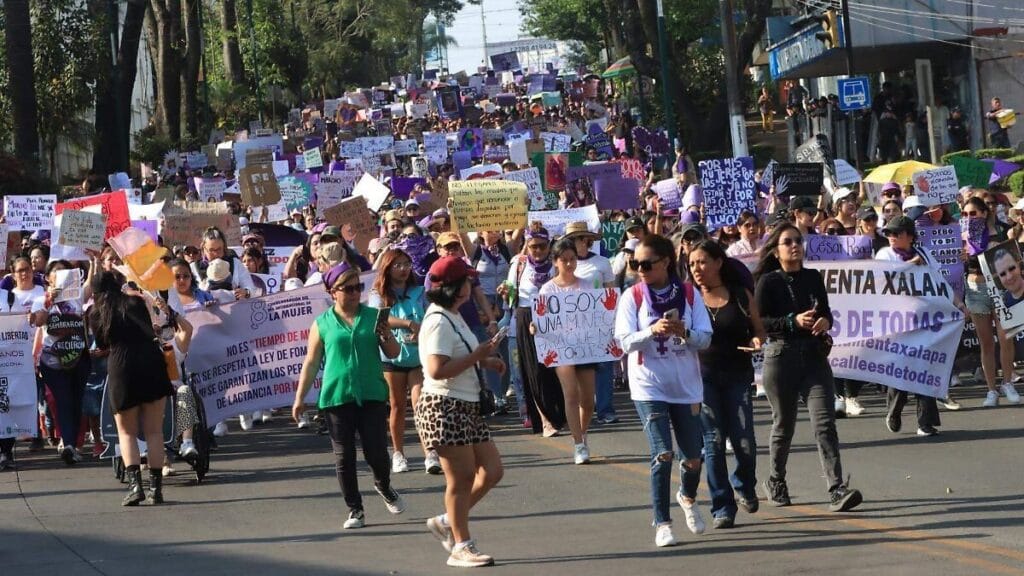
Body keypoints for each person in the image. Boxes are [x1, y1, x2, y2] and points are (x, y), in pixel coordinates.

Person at [754, 223, 863, 513]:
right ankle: (776, 480)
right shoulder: (768, 281)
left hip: (814, 358)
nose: (795, 246)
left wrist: (825, 321)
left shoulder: (813, 277)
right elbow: (760, 321)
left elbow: (825, 311)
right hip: (781, 357)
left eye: (798, 241)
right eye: (788, 242)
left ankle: (836, 488)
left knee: (825, 423)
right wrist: (792, 321)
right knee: (784, 425)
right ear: (776, 251)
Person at [613, 234, 712, 547]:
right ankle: (663, 523)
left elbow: (705, 338)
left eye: (646, 264)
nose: (639, 269)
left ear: (666, 262)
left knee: (693, 458)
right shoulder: (633, 296)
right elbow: (623, 342)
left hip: (685, 385)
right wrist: (650, 331)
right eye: (635, 264)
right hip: (648, 385)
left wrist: (685, 332)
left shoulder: (689, 294)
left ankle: (687, 496)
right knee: (662, 453)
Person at [291, 262, 406, 530]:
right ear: (333, 292)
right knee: (344, 457)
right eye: (348, 289)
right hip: (337, 396)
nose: (355, 293)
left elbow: (393, 352)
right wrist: (300, 398)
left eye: (358, 287)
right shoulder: (322, 323)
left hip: (372, 394)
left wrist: (386, 335)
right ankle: (355, 509)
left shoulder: (373, 316)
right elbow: (311, 362)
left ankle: (383, 485)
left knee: (377, 453)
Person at [416, 256, 505, 567]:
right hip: (444, 406)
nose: (471, 284)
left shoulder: (452, 315)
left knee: (492, 470)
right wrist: (478, 356)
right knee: (462, 477)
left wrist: (485, 360)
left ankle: (447, 520)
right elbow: (436, 369)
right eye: (467, 280)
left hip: (465, 404)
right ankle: (461, 545)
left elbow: (460, 355)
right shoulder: (438, 320)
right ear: (454, 287)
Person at [688, 239, 764, 529]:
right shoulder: (689, 299)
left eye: (702, 262)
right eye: (692, 264)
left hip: (737, 376)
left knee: (744, 441)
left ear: (719, 262)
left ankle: (744, 484)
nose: (697, 269)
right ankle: (722, 505)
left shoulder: (741, 295)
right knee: (714, 441)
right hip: (703, 378)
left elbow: (759, 331)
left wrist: (756, 341)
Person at [90, 271, 174, 506]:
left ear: (96, 293)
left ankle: (135, 486)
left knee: (126, 433)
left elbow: (103, 343)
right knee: (154, 431)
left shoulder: (96, 313)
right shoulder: (135, 302)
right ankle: (156, 489)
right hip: (150, 361)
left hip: (121, 365)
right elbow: (148, 327)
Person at [368, 249, 440, 475]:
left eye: (407, 264)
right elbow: (379, 317)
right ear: (388, 268)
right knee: (397, 405)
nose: (403, 269)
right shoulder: (378, 293)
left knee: (421, 404)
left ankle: (430, 452)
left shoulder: (420, 292)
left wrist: (422, 330)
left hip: (418, 356)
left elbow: (432, 315)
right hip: (392, 357)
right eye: (398, 265)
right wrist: (408, 324)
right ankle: (398, 453)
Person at [874, 216, 944, 436]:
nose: (892, 237)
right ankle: (894, 410)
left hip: (924, 319)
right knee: (902, 369)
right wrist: (910, 265)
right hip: (896, 322)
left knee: (925, 368)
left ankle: (925, 422)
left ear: (910, 237)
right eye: (889, 233)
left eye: (897, 233)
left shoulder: (925, 254)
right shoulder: (885, 254)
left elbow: (938, 282)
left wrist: (958, 303)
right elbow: (881, 280)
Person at [499, 225, 566, 434]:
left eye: (542, 246)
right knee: (533, 370)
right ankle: (544, 420)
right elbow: (511, 295)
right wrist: (505, 293)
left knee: (553, 368)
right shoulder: (519, 264)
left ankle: (559, 414)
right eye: (533, 246)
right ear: (526, 245)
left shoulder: (556, 264)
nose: (538, 251)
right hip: (526, 315)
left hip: (552, 317)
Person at [538, 238, 597, 464]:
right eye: (564, 260)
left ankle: (583, 433)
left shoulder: (587, 285)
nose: (570, 264)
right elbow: (542, 318)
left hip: (585, 347)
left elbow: (596, 315)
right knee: (570, 394)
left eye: (572, 259)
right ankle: (578, 444)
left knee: (588, 400)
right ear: (555, 262)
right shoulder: (547, 289)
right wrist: (536, 326)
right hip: (561, 348)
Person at [961, 195, 1021, 407]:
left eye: (973, 213)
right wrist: (960, 257)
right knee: (986, 342)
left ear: (984, 213)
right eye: (965, 214)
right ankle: (991, 390)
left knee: (1006, 337)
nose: (969, 217)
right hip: (975, 290)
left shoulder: (1002, 232)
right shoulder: (962, 236)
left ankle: (1008, 383)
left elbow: (1013, 259)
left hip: (1000, 289)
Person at [562, 221, 619, 426]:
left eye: (576, 239)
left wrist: (614, 319)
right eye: (570, 240)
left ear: (586, 240)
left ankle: (605, 409)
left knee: (603, 366)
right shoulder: (564, 264)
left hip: (599, 322)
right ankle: (581, 410)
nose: (574, 243)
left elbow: (611, 291)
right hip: (573, 324)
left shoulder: (602, 263)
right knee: (577, 368)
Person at [38, 260, 91, 466]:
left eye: (66, 273)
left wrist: (94, 261)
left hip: (78, 359)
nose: (62, 276)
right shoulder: (41, 298)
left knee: (76, 401)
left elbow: (91, 285)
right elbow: (39, 320)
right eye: (57, 273)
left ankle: (74, 444)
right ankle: (68, 444)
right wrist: (49, 301)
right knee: (64, 400)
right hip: (53, 362)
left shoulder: (76, 297)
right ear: (48, 278)